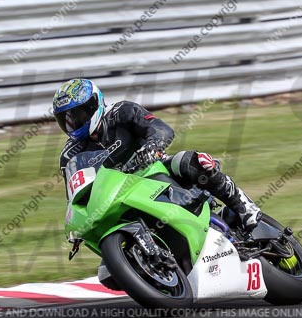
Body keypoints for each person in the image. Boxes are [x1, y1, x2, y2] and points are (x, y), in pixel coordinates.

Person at [54, 78, 261, 233]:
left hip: (153, 170)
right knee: (108, 273)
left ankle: (243, 205)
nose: (73, 123)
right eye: (66, 120)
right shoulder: (69, 155)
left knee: (190, 161)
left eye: (77, 115)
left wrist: (153, 146)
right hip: (118, 199)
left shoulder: (121, 112)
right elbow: (75, 197)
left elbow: (160, 128)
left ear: (93, 105)